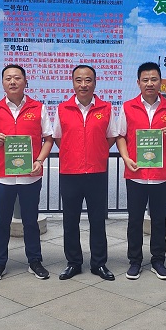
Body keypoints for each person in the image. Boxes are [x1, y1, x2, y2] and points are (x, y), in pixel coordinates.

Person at [0, 64, 53, 282]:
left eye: (17, 78)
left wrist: (39, 160)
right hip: (3, 175)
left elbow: (48, 138)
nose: (12, 82)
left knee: (30, 221)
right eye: (8, 78)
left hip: (30, 175)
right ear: (2, 83)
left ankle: (35, 261)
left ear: (25, 81)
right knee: (1, 223)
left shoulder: (38, 108)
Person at [116, 62, 166, 281]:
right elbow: (121, 135)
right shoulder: (128, 107)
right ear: (138, 83)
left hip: (161, 175)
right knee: (135, 220)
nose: (150, 83)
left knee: (159, 220)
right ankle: (135, 261)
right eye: (145, 80)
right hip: (136, 174)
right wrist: (126, 158)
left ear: (160, 82)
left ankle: (158, 260)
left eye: (154, 79)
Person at [53, 65, 117, 281]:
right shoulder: (62, 109)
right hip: (70, 172)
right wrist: (75, 153)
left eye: (88, 80)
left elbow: (110, 137)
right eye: (78, 80)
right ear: (73, 83)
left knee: (97, 220)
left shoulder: (106, 108)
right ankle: (73, 263)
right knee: (70, 221)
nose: (83, 84)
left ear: (95, 83)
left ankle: (99, 264)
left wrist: (95, 152)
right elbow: (58, 138)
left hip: (97, 172)